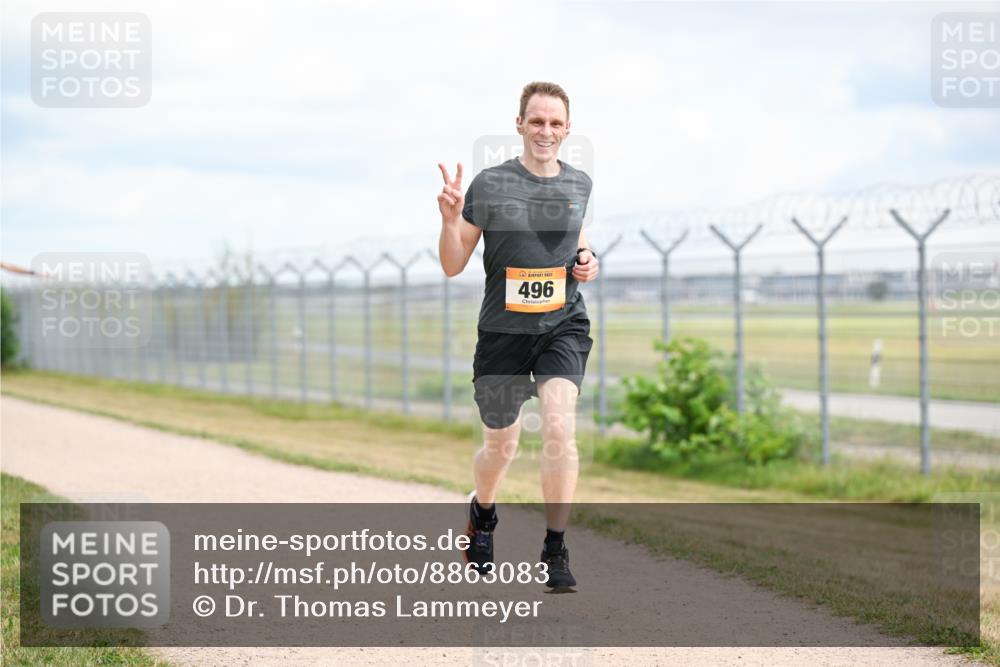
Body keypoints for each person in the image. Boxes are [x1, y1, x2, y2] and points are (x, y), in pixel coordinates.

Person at [435, 81, 598, 590]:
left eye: (555, 123)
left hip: (562, 326)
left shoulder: (579, 184)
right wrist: (447, 220)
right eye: (537, 121)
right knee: (501, 446)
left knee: (557, 429)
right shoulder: (490, 184)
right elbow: (452, 262)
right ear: (520, 125)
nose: (545, 130)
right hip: (503, 333)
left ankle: (555, 547)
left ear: (567, 129)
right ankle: (483, 514)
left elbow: (578, 243)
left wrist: (588, 262)